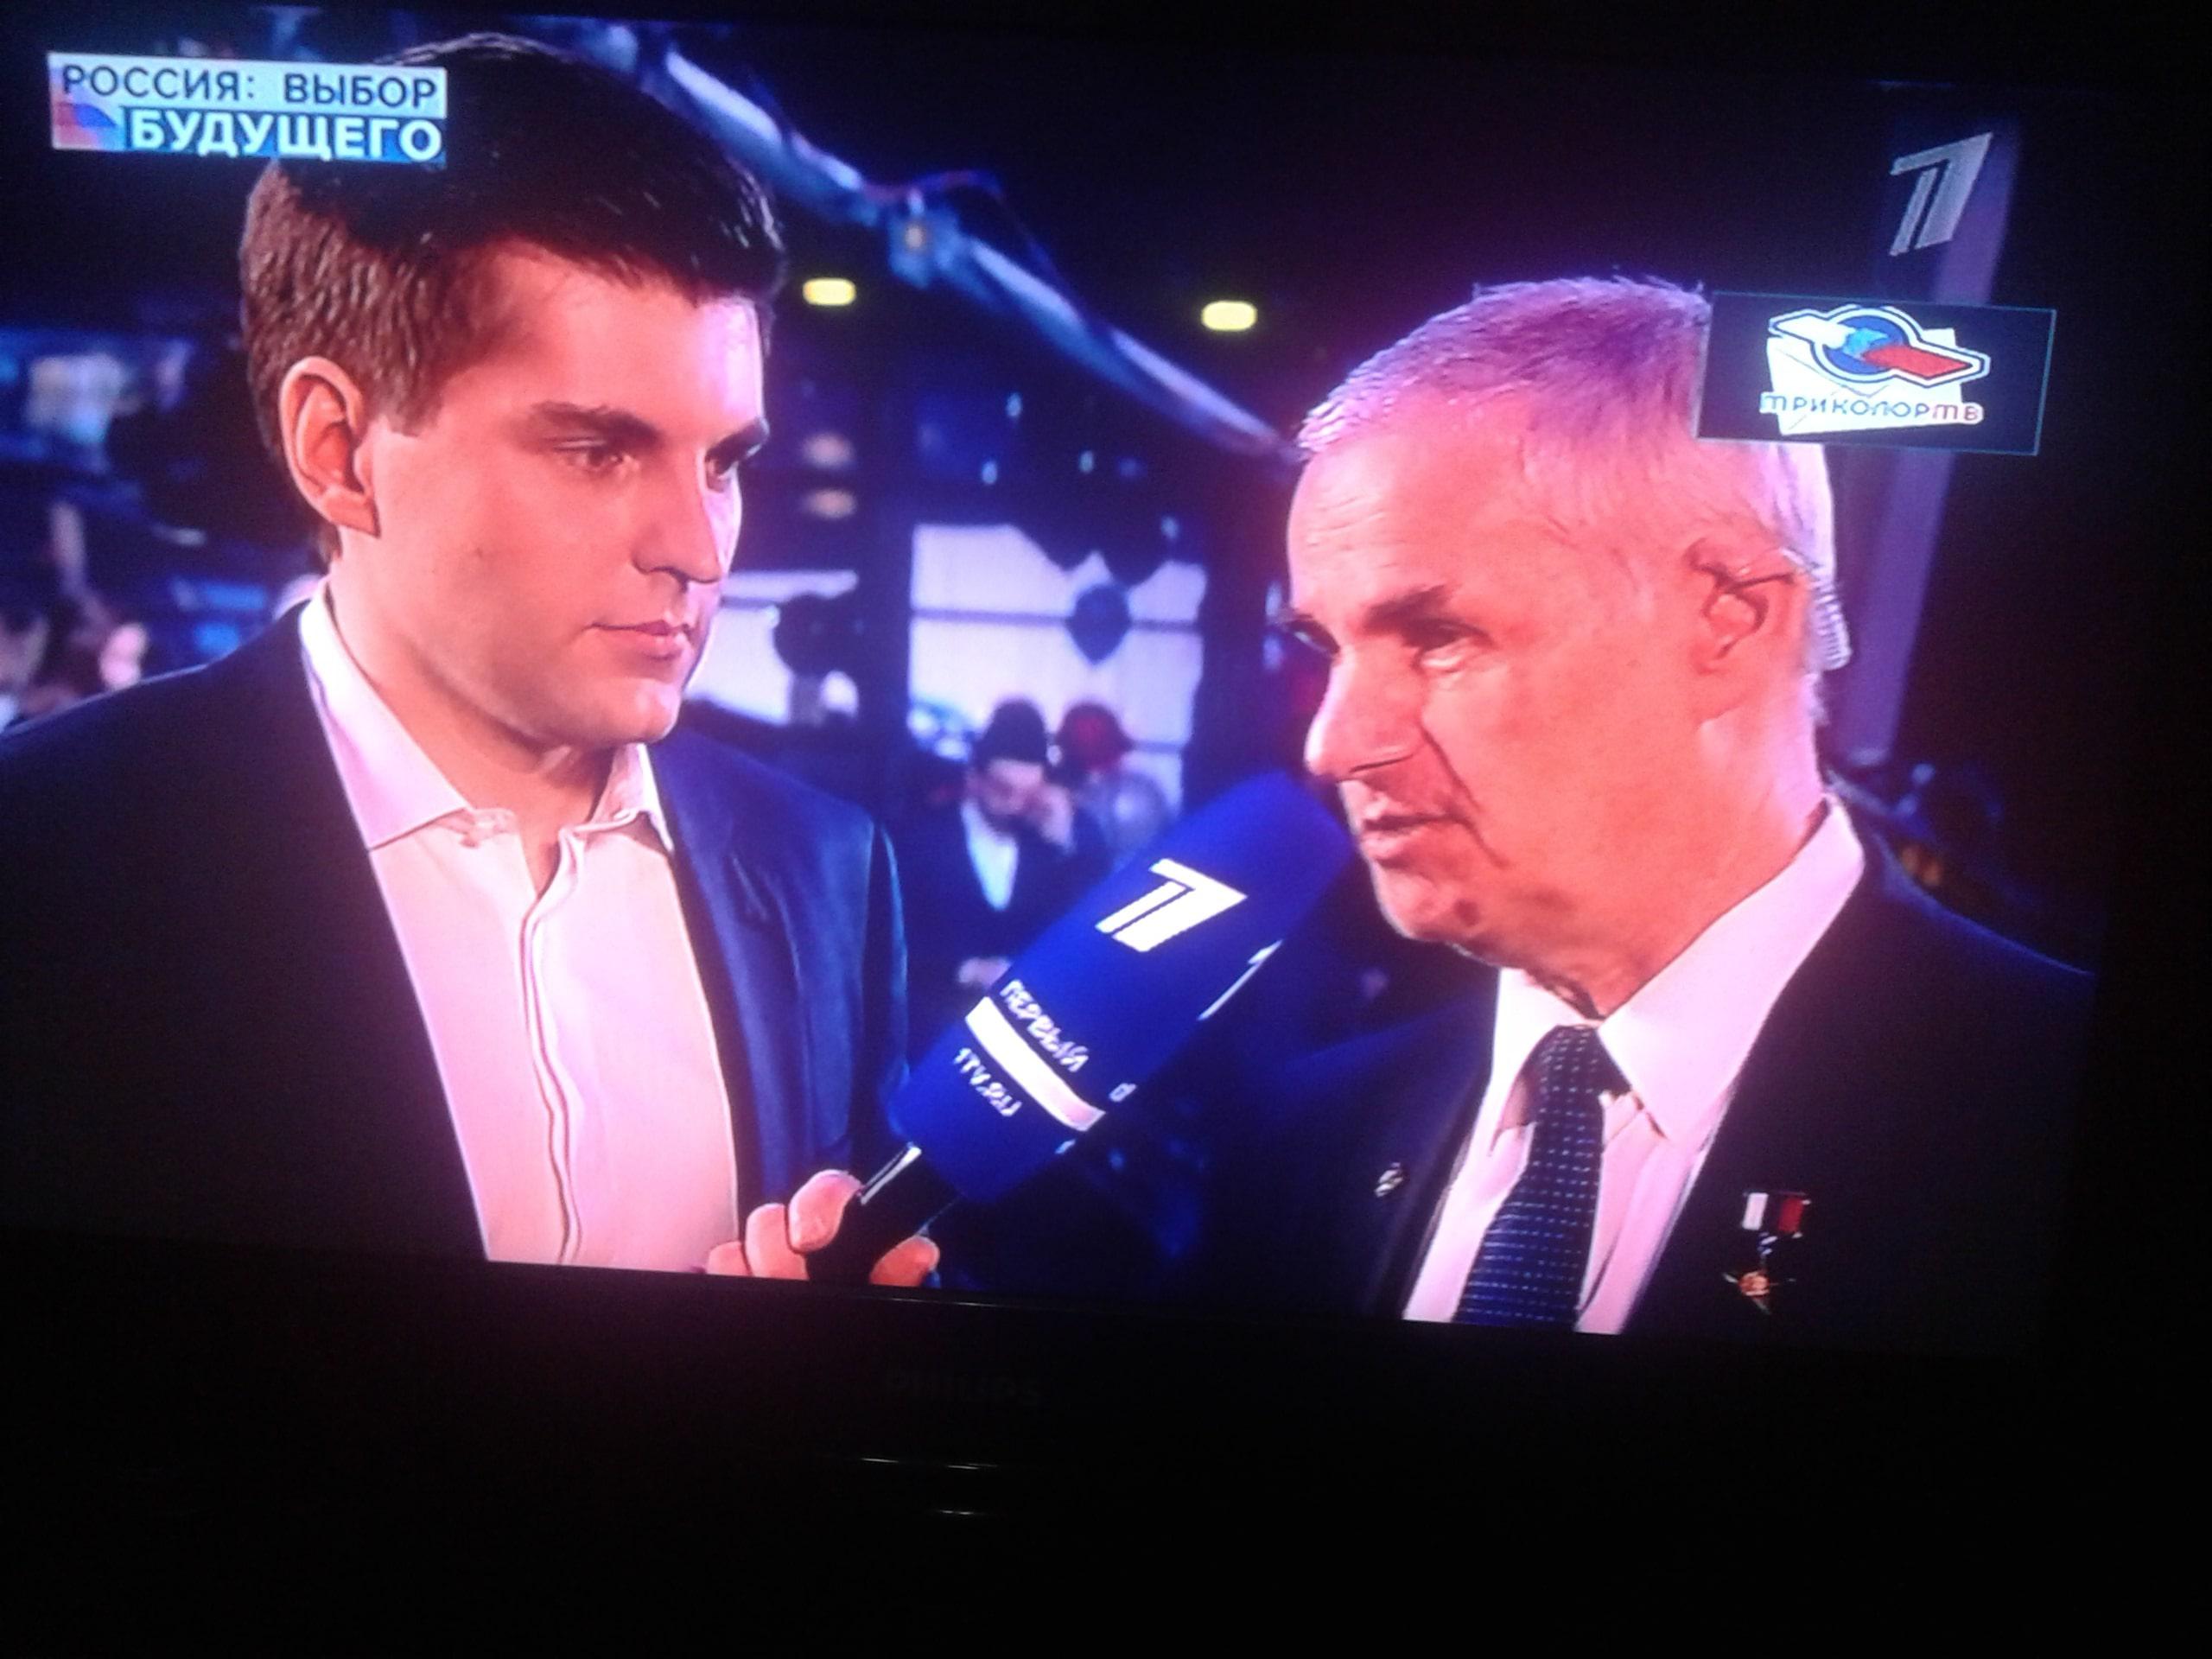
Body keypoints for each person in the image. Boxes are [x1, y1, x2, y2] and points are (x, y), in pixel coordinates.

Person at [0, 35, 930, 1287]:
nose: (701, 548)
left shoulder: (824, 869)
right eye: (597, 451)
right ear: (337, 449)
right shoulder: (46, 859)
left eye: (724, 461)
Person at [1179, 277, 2091, 1352]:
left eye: (1439, 637)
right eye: (1327, 648)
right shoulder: (1305, 1136)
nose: (1332, 747)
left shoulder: (2051, 1105)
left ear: (1730, 624)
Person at [893, 700, 1110, 1058]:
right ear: (974, 778)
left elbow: (1091, 930)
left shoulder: (1054, 845)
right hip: (933, 1029)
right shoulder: (922, 839)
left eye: (1027, 794)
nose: (1014, 804)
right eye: (1003, 790)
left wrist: (1066, 847)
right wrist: (964, 969)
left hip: (1029, 1035)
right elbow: (892, 939)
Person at [1054, 700, 1173, 868]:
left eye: (1099, 741)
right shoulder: (1053, 795)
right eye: (1084, 741)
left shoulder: (1143, 790)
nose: (1091, 747)